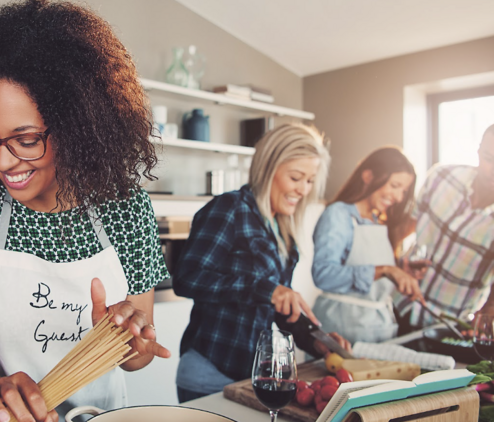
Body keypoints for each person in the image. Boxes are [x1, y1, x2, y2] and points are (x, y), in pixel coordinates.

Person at [0, 1, 170, 421]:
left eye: (26, 139)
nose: (2, 161)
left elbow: (136, 353)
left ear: (76, 124)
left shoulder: (127, 211)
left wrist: (134, 343)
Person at [173, 123, 351, 402]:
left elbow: (282, 310)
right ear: (269, 168)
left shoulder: (283, 228)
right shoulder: (229, 209)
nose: (304, 189)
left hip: (251, 376)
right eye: (296, 177)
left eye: (310, 180)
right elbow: (187, 278)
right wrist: (266, 289)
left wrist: (316, 341)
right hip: (209, 374)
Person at [311, 146, 424, 344]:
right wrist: (386, 270)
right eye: (395, 185)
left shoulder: (377, 219)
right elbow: (323, 275)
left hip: (378, 329)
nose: (399, 197)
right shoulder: (338, 214)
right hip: (342, 330)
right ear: (368, 176)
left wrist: (399, 274)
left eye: (403, 191)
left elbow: (374, 278)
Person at [394, 124, 494, 332]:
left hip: (449, 326)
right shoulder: (441, 177)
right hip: (397, 305)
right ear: (478, 151)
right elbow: (403, 230)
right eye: (489, 158)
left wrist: (486, 314)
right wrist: (393, 266)